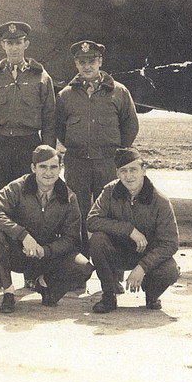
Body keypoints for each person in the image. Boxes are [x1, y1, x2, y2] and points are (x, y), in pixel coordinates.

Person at [0, 21, 56, 290]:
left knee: (30, 209)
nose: (13, 47)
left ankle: (31, 273)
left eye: (18, 42)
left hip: (28, 146)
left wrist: (46, 158)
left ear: (26, 45)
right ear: (3, 46)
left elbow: (49, 119)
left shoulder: (40, 77)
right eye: (9, 43)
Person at [0, 145, 93, 314]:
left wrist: (45, 251)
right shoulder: (17, 187)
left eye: (53, 167)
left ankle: (45, 285)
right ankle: (8, 291)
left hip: (48, 257)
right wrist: (22, 235)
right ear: (33, 168)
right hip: (20, 253)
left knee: (83, 267)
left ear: (60, 169)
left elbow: (72, 239)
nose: (48, 173)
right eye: (43, 167)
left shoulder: (69, 197)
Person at [56, 40, 139, 257]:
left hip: (108, 163)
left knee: (113, 213)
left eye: (91, 61)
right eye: (82, 62)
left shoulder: (119, 92)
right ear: (76, 63)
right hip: (77, 163)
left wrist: (117, 156)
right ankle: (79, 268)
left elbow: (130, 126)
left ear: (100, 61)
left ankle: (114, 270)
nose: (87, 66)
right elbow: (59, 128)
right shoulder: (66, 95)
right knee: (77, 215)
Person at [87, 147, 179, 313]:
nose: (128, 176)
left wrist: (143, 267)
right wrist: (129, 230)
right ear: (117, 173)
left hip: (147, 254)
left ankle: (151, 294)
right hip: (118, 251)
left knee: (170, 270)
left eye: (133, 170)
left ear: (144, 170)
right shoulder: (110, 192)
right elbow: (92, 221)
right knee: (97, 240)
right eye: (123, 171)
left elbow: (170, 243)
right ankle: (108, 295)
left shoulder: (160, 201)